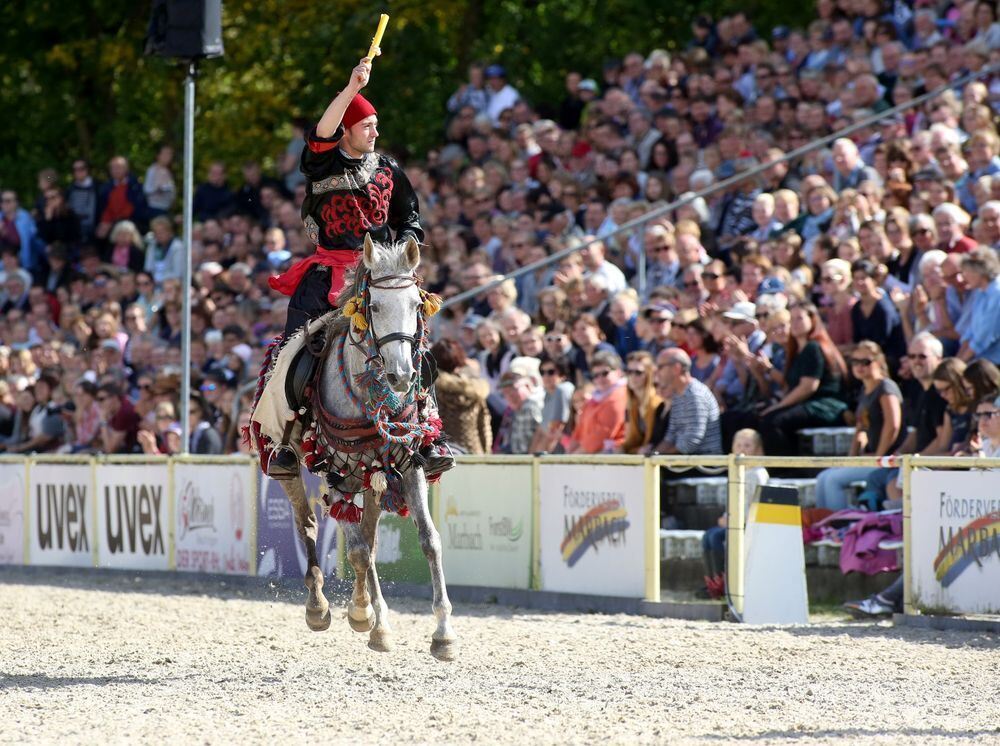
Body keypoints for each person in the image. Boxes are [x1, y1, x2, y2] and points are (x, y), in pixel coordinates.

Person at [814, 341, 904, 510]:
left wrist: (879, 457)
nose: (859, 366)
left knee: (833, 480)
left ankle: (839, 523)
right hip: (874, 457)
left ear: (878, 361)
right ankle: (824, 525)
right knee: (823, 478)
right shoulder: (865, 390)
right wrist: (851, 459)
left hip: (890, 461)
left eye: (866, 362)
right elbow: (861, 429)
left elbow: (893, 425)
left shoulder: (886, 387)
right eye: (855, 362)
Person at [758, 304, 848, 456]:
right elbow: (789, 385)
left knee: (773, 421)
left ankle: (786, 471)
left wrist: (779, 407)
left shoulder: (813, 347)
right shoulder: (797, 351)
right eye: (792, 319)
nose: (794, 323)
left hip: (824, 405)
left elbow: (808, 387)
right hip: (807, 404)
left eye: (799, 318)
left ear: (812, 320)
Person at [700, 428, 768, 599]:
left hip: (748, 524)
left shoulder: (757, 475)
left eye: (747, 445)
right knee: (708, 536)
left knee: (716, 537)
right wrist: (726, 516)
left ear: (758, 450)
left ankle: (727, 583)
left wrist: (732, 520)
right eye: (738, 445)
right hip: (733, 520)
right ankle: (713, 583)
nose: (742, 449)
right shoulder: (738, 471)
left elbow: (755, 507)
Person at [653, 348, 722, 455]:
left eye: (660, 367)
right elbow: (670, 435)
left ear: (676, 368)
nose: (656, 372)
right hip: (684, 463)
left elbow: (692, 441)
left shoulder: (695, 394)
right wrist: (654, 455)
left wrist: (660, 457)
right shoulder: (678, 394)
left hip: (702, 466)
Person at [432, 339, 491, 455]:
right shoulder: (475, 390)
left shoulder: (430, 390)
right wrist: (486, 455)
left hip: (439, 454)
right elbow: (483, 427)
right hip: (472, 452)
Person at [567, 351, 627, 453]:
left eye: (605, 373)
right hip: (589, 456)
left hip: (609, 457)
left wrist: (572, 459)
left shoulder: (619, 397)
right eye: (595, 375)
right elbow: (579, 432)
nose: (600, 379)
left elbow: (602, 435)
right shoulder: (596, 397)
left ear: (618, 372)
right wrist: (567, 456)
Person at [620, 351, 663, 454]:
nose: (632, 376)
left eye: (638, 372)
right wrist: (623, 449)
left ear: (649, 374)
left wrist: (632, 450)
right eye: (629, 371)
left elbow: (651, 444)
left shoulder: (657, 403)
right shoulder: (632, 403)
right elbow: (632, 441)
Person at [530, 358, 575, 454]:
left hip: (562, 453)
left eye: (551, 372)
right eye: (542, 372)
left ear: (562, 375)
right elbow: (541, 429)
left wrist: (540, 461)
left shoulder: (562, 389)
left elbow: (556, 428)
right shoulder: (548, 394)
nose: (546, 376)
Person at [494, 370, 544, 454]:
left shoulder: (530, 406)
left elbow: (542, 433)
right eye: (505, 393)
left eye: (513, 389)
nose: (510, 396)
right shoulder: (514, 411)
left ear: (527, 386)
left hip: (529, 459)